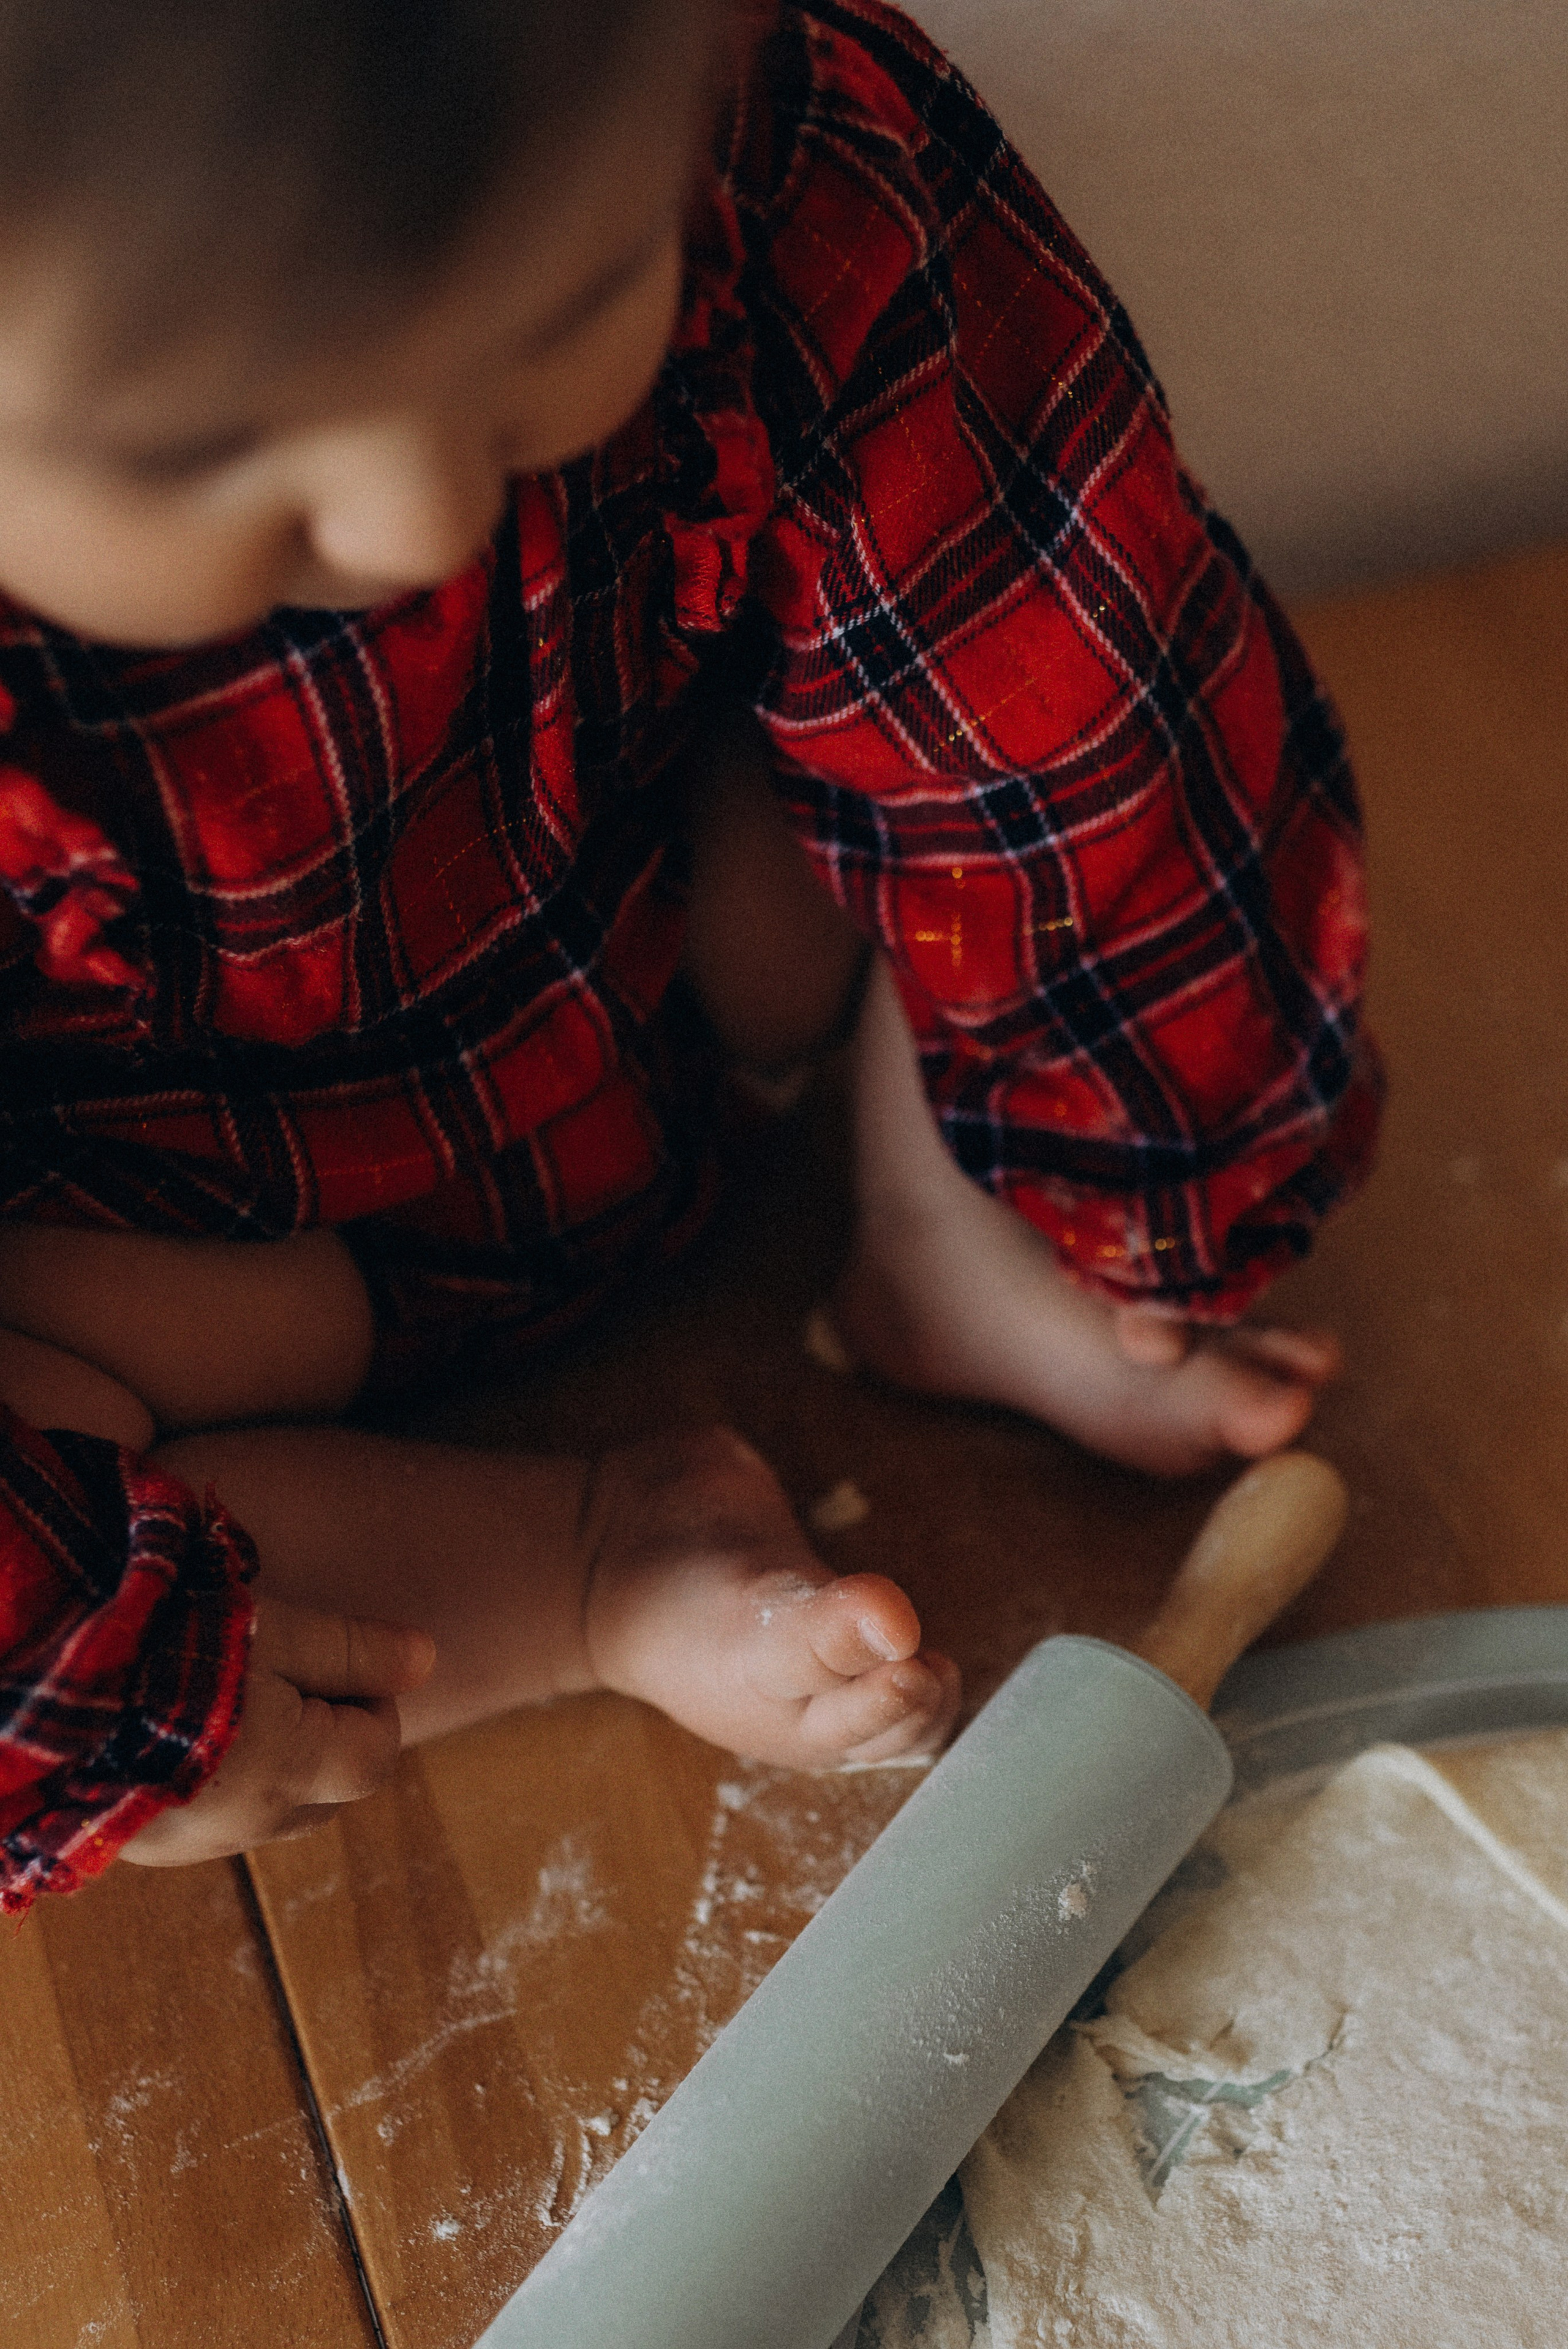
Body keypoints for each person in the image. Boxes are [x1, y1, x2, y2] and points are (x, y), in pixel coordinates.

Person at [0, 0, 1379, 1916]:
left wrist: (1124, 1152)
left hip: (685, 985)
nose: (421, 518)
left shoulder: (754, 125)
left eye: (560, 310)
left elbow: (1063, 703)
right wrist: (98, 1692)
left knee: (923, 740)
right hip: (221, 1258)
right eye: (205, 454)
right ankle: (576, 1570)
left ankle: (935, 1224)